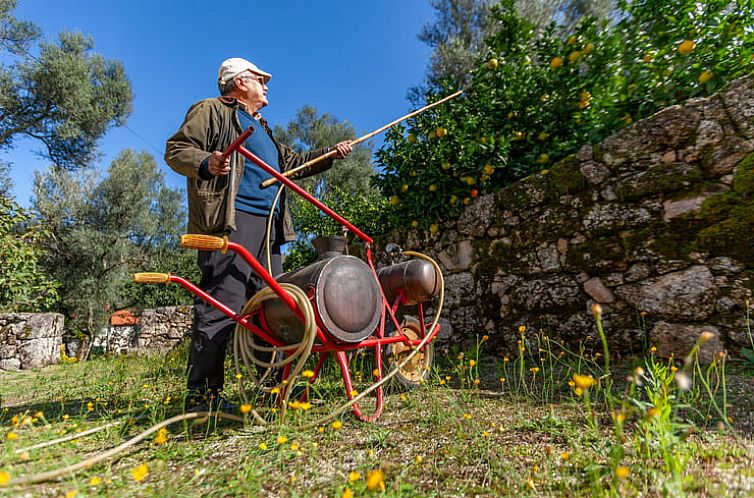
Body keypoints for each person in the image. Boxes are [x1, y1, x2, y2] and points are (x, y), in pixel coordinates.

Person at [165, 57, 353, 411]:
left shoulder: (262, 128)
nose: (266, 84)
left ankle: (271, 391)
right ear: (238, 82)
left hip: (270, 225)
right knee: (223, 302)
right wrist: (208, 162)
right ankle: (202, 398)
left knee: (273, 310)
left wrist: (330, 154)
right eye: (259, 78)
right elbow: (177, 151)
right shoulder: (212, 111)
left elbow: (294, 163)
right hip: (233, 221)